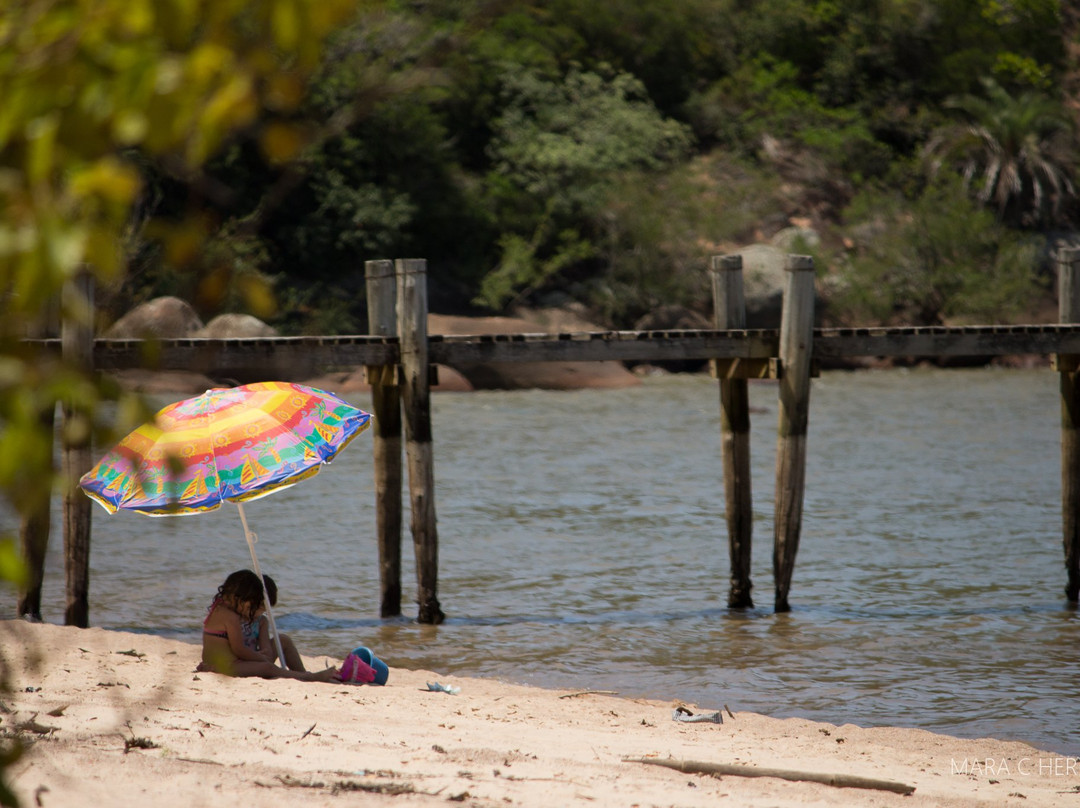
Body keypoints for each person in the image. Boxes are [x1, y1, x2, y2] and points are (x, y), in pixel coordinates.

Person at [200, 569, 338, 682]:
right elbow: (239, 649)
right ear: (239, 598)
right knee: (267, 667)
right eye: (254, 607)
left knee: (283, 640)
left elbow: (265, 649)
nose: (256, 612)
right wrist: (262, 658)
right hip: (226, 665)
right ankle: (310, 677)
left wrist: (264, 655)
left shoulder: (259, 621)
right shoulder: (228, 615)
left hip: (246, 660)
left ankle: (301, 674)